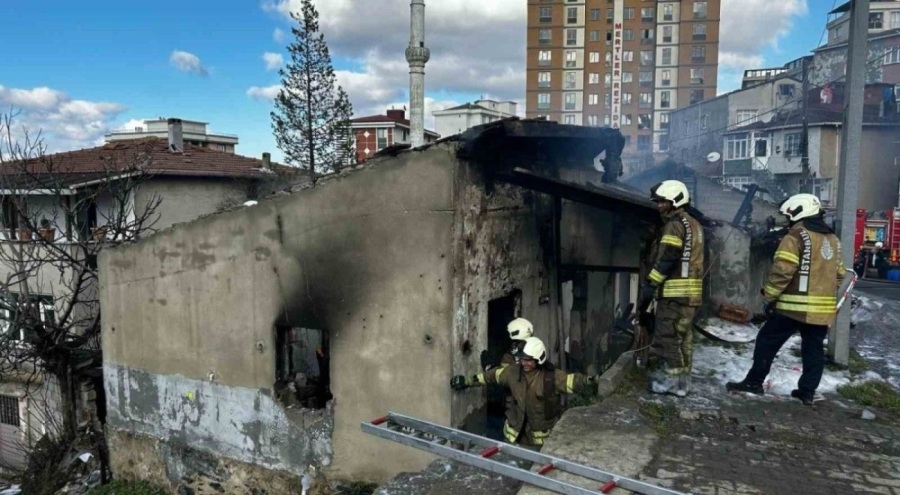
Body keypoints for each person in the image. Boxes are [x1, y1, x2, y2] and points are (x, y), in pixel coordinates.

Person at [727, 193, 845, 406]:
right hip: (821, 310)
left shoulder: (796, 236)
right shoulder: (833, 240)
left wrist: (769, 296)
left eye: (790, 215)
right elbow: (839, 274)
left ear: (799, 212)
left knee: (766, 341)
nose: (789, 220)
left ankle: (754, 382)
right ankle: (807, 392)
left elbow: (783, 271)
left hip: (793, 308)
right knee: (813, 350)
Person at [451, 337, 597, 447]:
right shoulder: (512, 372)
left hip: (540, 442)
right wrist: (466, 381)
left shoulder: (551, 377)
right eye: (522, 359)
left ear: (539, 359)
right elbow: (490, 376)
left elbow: (572, 381)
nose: (524, 363)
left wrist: (591, 382)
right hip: (513, 437)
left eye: (528, 360)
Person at [640, 180, 704, 397]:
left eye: (662, 202)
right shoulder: (694, 223)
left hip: (675, 295)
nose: (659, 206)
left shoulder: (674, 224)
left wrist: (651, 283)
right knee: (683, 339)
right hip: (691, 296)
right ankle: (684, 384)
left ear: (675, 201)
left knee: (667, 338)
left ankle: (673, 384)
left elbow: (668, 256)